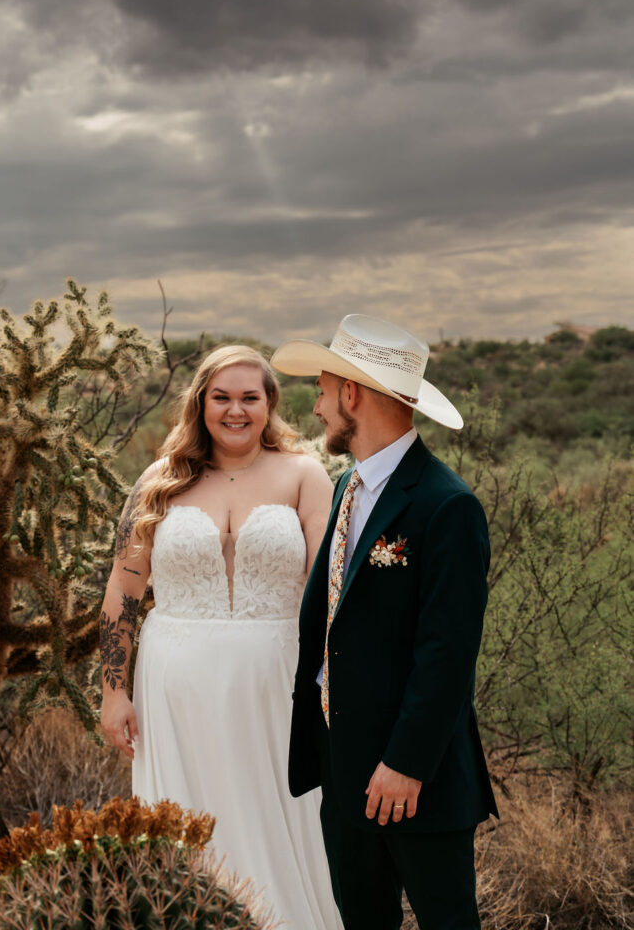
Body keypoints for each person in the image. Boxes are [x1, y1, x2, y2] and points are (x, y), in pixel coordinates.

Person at [99, 344, 344, 930]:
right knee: (188, 820)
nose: (236, 411)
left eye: (249, 398)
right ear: (201, 403)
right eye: (222, 397)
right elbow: (123, 592)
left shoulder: (304, 473)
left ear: (269, 404)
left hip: (279, 680)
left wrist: (335, 681)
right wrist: (113, 692)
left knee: (284, 812)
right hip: (175, 687)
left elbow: (331, 588)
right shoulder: (160, 481)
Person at [272, 314, 499, 930]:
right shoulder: (348, 486)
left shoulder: (446, 505)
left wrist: (406, 763)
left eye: (321, 389)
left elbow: (447, 655)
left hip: (412, 782)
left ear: (351, 394)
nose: (316, 407)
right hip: (342, 772)